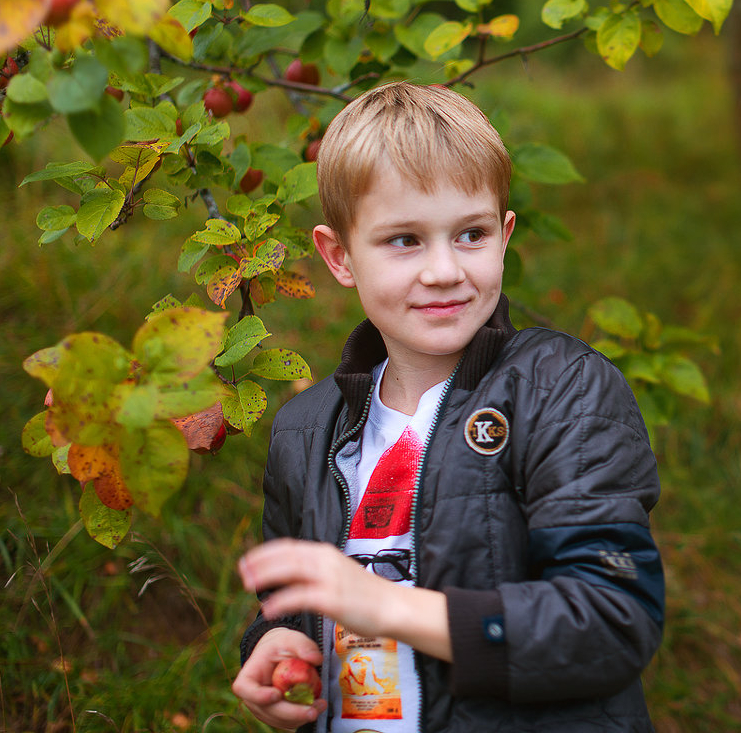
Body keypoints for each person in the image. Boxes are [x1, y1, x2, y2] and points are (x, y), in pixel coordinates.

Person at [232, 81, 665, 733]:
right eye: (404, 240)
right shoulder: (306, 429)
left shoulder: (562, 390)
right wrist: (276, 645)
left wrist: (388, 607)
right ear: (339, 255)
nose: (443, 270)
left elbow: (611, 618)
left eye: (469, 234)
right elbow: (296, 604)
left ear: (504, 233)